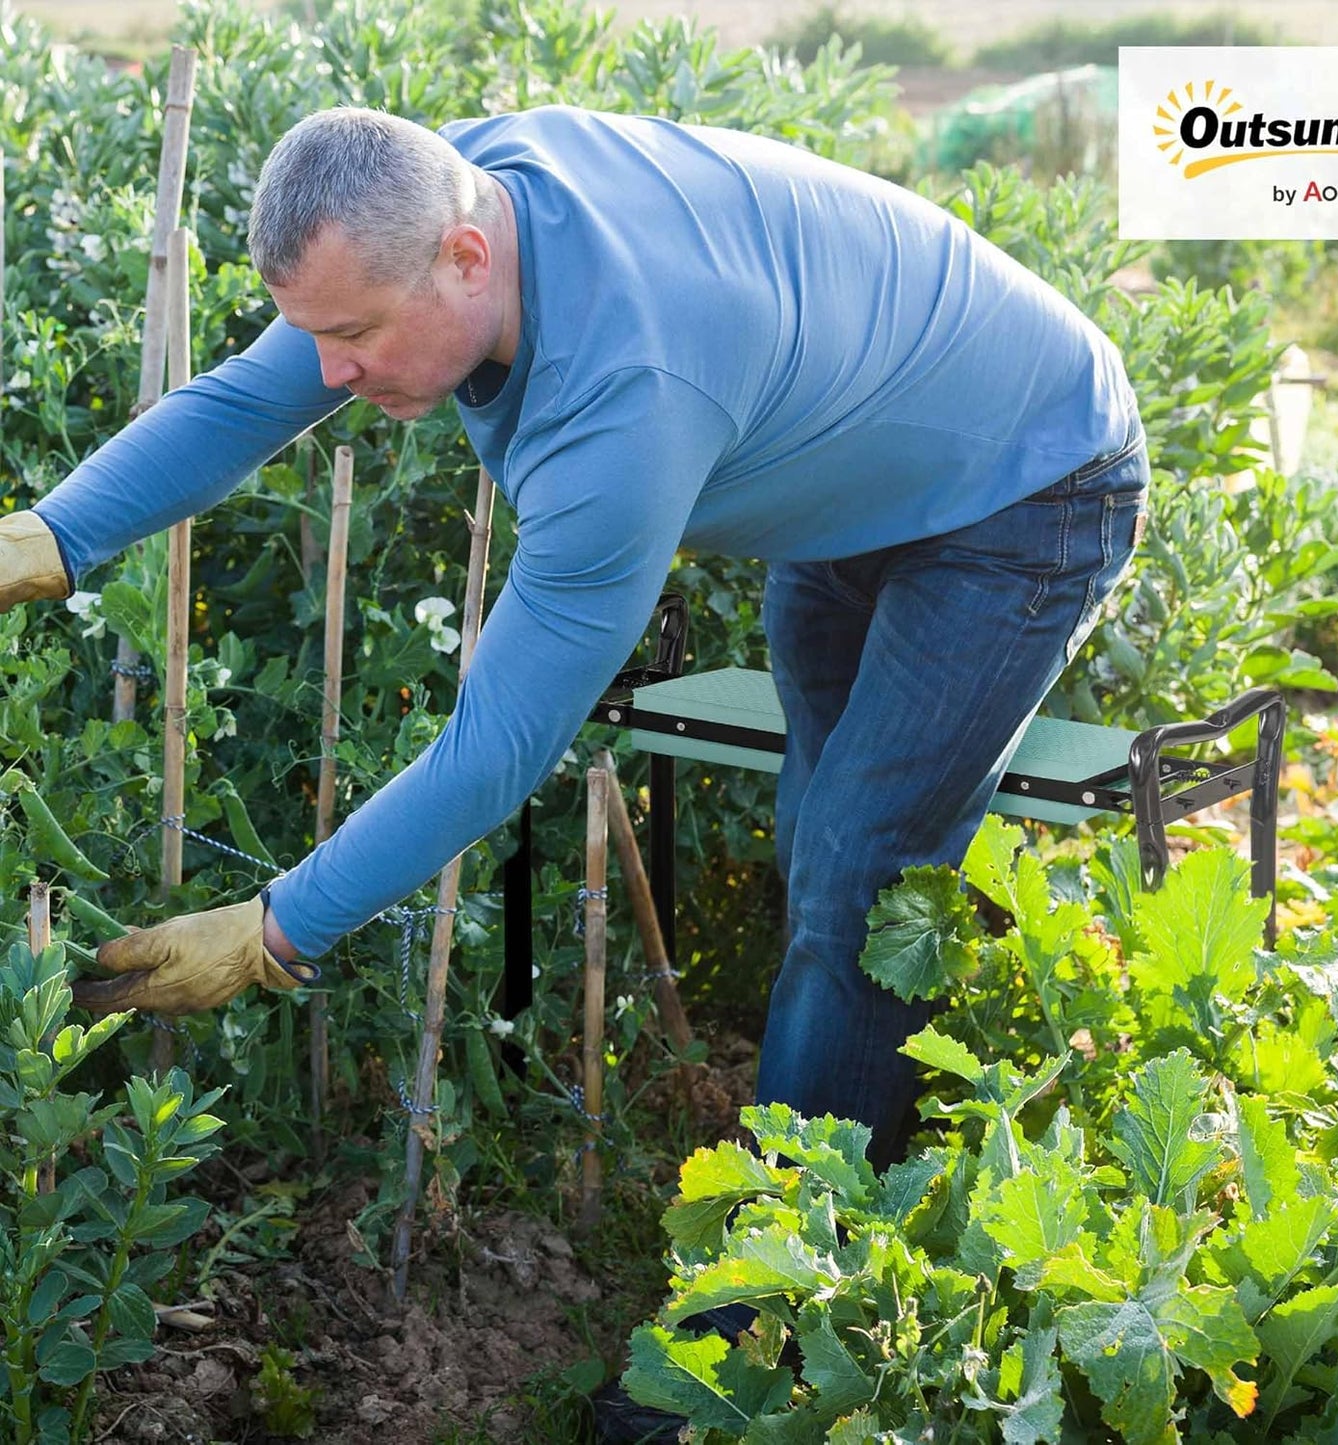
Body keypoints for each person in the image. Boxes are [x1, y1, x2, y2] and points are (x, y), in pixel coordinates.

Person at [0, 104, 1147, 1174]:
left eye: (352, 337)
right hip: (860, 453)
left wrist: (272, 931)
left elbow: (498, 744)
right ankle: (868, 1118)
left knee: (860, 860)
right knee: (825, 833)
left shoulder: (624, 402)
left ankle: (781, 1296)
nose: (332, 373)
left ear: (463, 259)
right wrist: (47, 538)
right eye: (318, 335)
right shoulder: (448, 185)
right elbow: (252, 398)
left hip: (1027, 479)